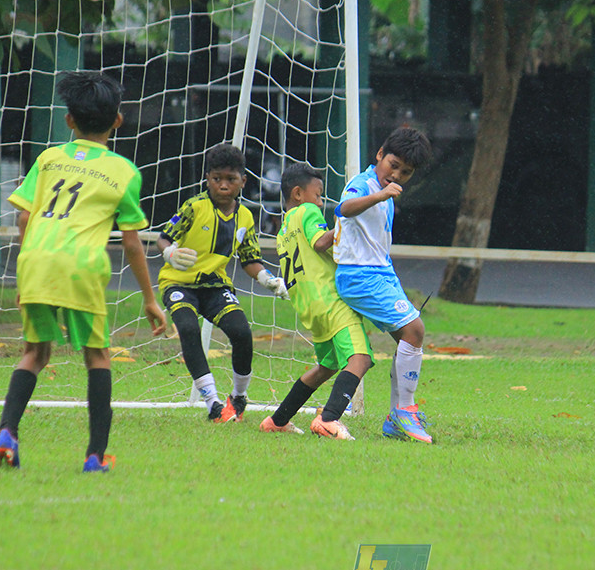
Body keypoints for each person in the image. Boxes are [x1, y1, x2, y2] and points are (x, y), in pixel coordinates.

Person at [0, 71, 167, 473]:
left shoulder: (49, 158)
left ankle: (7, 432)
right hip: (81, 268)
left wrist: (23, 276)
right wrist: (149, 298)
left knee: (34, 354)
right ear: (118, 121)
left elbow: (23, 219)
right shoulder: (124, 171)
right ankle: (94, 456)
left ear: (69, 120)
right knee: (98, 356)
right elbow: (131, 242)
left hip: (36, 260)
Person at [156, 143, 288, 424]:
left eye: (231, 179)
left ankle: (238, 397)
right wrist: (170, 252)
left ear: (243, 181)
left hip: (216, 286)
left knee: (241, 333)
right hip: (179, 284)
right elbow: (164, 237)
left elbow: (249, 258)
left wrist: (267, 279)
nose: (223, 185)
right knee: (188, 329)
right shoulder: (194, 207)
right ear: (207, 179)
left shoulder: (245, 217)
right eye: (217, 179)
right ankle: (213, 402)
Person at [333, 127, 434, 443]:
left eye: (406, 171)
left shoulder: (387, 191)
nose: (398, 174)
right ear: (379, 155)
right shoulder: (364, 184)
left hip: (379, 274)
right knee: (415, 329)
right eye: (394, 164)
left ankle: (396, 419)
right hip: (361, 277)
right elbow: (344, 209)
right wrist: (379, 194)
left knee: (409, 335)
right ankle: (404, 412)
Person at [260, 163, 374, 440]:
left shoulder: (283, 230)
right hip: (331, 300)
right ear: (298, 193)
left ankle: (277, 420)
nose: (321, 201)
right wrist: (346, 220)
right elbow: (321, 242)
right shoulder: (307, 212)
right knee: (360, 358)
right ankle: (329, 419)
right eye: (318, 195)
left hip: (309, 306)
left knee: (327, 366)